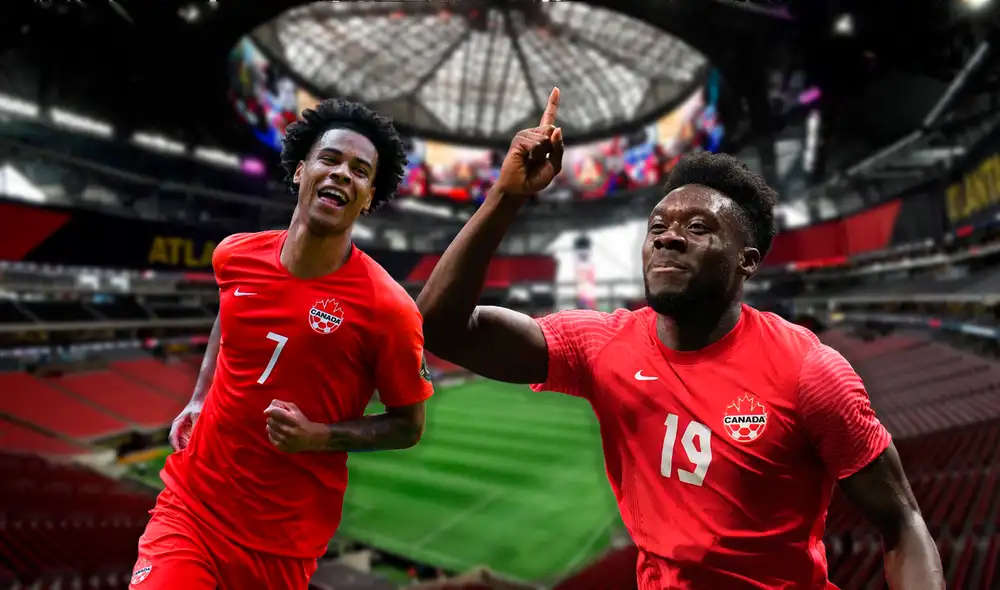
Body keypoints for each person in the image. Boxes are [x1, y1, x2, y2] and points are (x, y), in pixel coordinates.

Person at [416, 88, 943, 589]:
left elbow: (903, 524)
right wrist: (507, 195)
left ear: (747, 261)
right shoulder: (601, 344)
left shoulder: (811, 372)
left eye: (698, 227)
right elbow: (441, 327)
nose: (668, 235)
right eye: (658, 225)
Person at [130, 99, 434, 590]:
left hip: (282, 543)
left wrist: (320, 436)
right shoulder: (235, 255)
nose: (341, 175)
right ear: (300, 171)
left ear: (368, 196)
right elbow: (228, 316)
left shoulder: (390, 310)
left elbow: (408, 426)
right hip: (192, 508)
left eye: (359, 171)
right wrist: (200, 395)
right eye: (329, 159)